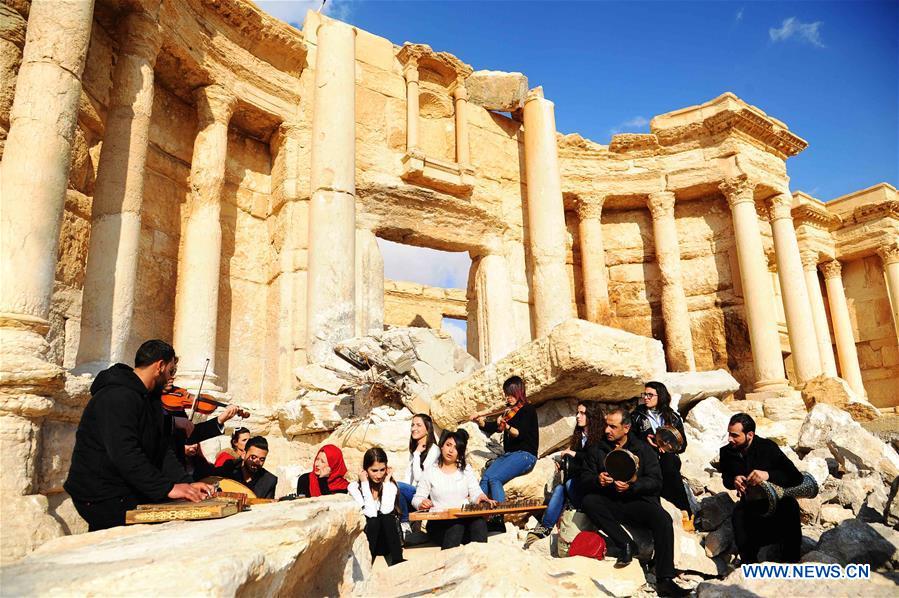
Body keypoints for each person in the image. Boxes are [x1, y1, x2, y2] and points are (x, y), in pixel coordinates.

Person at [64, 340, 213, 531]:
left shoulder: (150, 400)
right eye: (171, 371)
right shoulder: (117, 396)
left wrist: (187, 484)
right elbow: (125, 453)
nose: (171, 378)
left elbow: (162, 451)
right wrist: (167, 488)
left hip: (127, 488)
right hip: (102, 494)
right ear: (160, 366)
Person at [579, 408, 688, 598]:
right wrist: (598, 480)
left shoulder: (642, 449)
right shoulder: (597, 448)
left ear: (626, 427)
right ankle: (625, 543)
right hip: (610, 500)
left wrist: (633, 485)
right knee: (589, 501)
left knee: (663, 520)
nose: (607, 430)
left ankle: (665, 579)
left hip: (636, 502)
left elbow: (656, 481)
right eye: (606, 425)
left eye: (613, 426)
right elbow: (583, 478)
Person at [719, 413, 803, 564]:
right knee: (739, 515)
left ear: (750, 435)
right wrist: (734, 480)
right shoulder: (726, 452)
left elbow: (796, 477)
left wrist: (768, 475)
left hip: (777, 503)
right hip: (750, 505)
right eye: (729, 434)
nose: (729, 439)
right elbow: (726, 479)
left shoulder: (768, 447)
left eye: (735, 435)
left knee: (790, 506)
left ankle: (791, 564)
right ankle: (749, 566)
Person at [526, 401, 604, 545]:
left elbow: (592, 458)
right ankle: (545, 527)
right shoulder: (579, 435)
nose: (578, 416)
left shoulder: (599, 438)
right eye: (577, 413)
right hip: (578, 483)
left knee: (567, 484)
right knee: (560, 488)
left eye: (582, 413)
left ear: (591, 416)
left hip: (592, 488)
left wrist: (573, 454)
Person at [412, 429, 495, 549]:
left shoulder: (465, 470)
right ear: (442, 446)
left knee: (479, 522)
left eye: (456, 448)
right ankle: (450, 563)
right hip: (440, 524)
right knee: (456, 526)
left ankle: (481, 560)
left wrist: (481, 498)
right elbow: (417, 498)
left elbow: (475, 492)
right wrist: (421, 503)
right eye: (448, 445)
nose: (450, 450)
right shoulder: (430, 471)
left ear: (460, 453)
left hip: (464, 518)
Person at [631, 381, 694, 530]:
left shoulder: (673, 417)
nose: (646, 398)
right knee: (660, 468)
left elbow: (682, 444)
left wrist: (670, 447)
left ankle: (684, 512)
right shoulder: (636, 416)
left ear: (661, 396)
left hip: (669, 457)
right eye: (644, 394)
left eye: (650, 395)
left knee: (669, 464)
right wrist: (644, 441)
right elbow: (630, 439)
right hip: (647, 457)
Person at [471, 376, 539, 506]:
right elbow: (494, 427)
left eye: (512, 395)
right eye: (507, 395)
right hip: (510, 455)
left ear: (519, 393)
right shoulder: (509, 412)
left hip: (525, 455)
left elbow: (519, 433)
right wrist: (480, 421)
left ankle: (498, 519)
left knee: (495, 478)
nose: (509, 398)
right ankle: (477, 515)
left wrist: (506, 425)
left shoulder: (528, 409)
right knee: (485, 478)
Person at [348, 447, 404, 567]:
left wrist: (387, 481)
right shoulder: (354, 487)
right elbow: (370, 513)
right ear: (365, 470)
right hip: (368, 539)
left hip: (387, 541)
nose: (379, 475)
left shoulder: (390, 485)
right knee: (374, 520)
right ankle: (367, 563)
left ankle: (397, 559)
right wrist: (364, 483)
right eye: (374, 471)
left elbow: (386, 510)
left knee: (386, 517)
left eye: (382, 470)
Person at [396, 414, 439, 535]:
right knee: (393, 488)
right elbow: (408, 477)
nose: (414, 428)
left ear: (427, 429)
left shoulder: (434, 450)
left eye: (418, 425)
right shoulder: (416, 449)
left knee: (396, 485)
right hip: (413, 492)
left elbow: (420, 479)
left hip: (425, 495)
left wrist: (416, 455)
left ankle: (405, 524)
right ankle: (407, 529)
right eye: (412, 425)